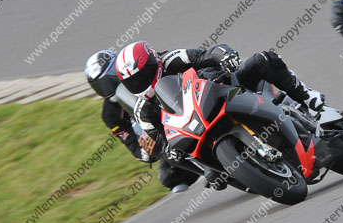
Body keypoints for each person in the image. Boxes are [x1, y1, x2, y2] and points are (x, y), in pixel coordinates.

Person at [114, 42, 325, 188]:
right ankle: (210, 169)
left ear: (153, 62)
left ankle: (306, 96)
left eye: (142, 75)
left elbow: (208, 54)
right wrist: (170, 151)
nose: (140, 83)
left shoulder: (172, 59)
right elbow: (161, 142)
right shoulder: (143, 111)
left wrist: (225, 56)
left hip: (227, 88)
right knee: (173, 154)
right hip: (195, 127)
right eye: (133, 82)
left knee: (263, 59)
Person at [85, 49, 199, 193]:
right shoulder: (110, 115)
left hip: (183, 102)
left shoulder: (138, 68)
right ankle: (210, 170)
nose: (111, 85)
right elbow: (130, 142)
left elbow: (168, 59)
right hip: (160, 131)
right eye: (102, 85)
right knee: (168, 176)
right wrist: (145, 151)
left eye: (112, 77)